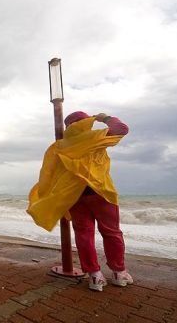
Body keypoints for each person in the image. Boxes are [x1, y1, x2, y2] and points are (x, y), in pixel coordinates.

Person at [27, 110, 131, 292]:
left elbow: (48, 173)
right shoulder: (94, 137)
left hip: (74, 196)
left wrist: (49, 195)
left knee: (84, 234)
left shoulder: (59, 146)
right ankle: (118, 272)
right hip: (101, 192)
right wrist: (103, 118)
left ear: (68, 127)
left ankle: (94, 276)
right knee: (112, 232)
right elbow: (122, 129)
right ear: (87, 122)